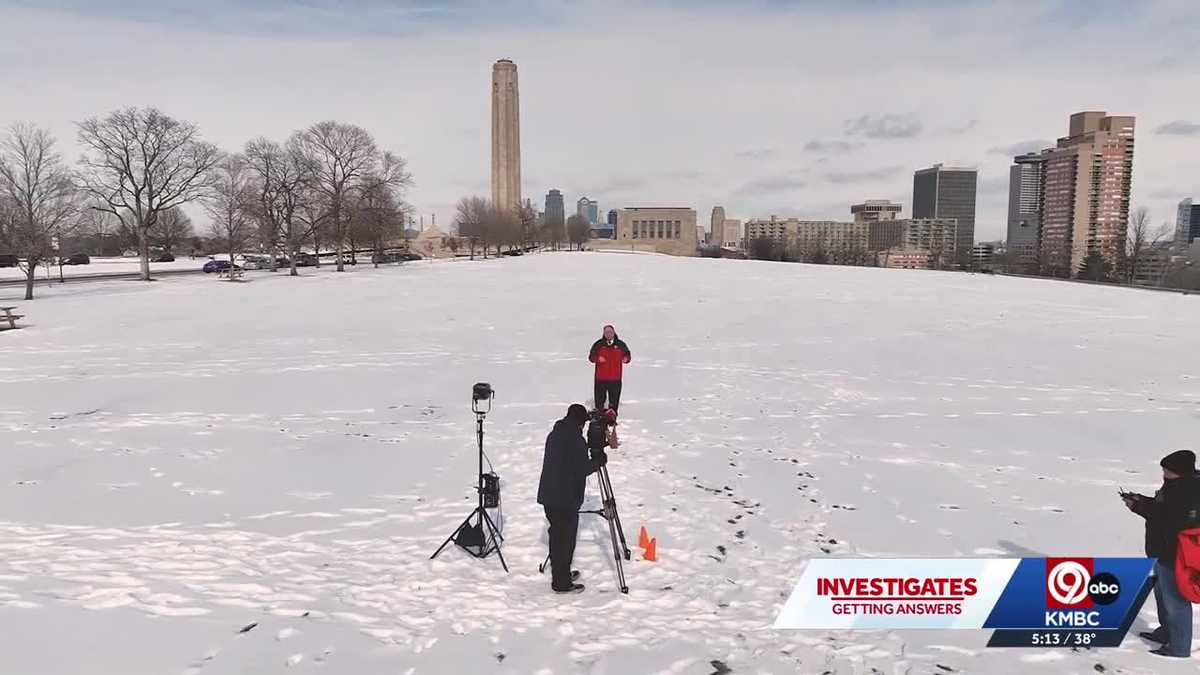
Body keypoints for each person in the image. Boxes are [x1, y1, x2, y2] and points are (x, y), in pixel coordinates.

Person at [1123, 449, 1200, 658]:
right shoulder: (1175, 484)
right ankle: (1166, 631)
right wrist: (1141, 500)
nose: (1164, 474)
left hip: (1175, 554)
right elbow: (1163, 509)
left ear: (1181, 472)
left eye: (1169, 471)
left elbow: (1171, 521)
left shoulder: (1189, 491)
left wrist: (1139, 506)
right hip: (1160, 550)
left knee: (1175, 600)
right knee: (1163, 596)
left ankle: (1179, 646)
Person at [537, 404, 607, 594]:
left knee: (558, 537)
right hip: (564, 498)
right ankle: (561, 583)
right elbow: (582, 469)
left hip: (550, 495)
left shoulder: (555, 434)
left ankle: (562, 573)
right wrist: (599, 461)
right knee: (564, 541)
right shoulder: (575, 440)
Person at [589, 325, 631, 412]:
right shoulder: (598, 344)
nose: (608, 334)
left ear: (614, 332)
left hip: (615, 379)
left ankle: (612, 420)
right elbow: (591, 357)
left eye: (610, 332)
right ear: (603, 333)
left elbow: (627, 355)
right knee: (599, 402)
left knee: (614, 402)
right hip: (600, 379)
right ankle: (599, 420)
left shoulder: (620, 344)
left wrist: (626, 359)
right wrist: (597, 359)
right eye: (606, 332)